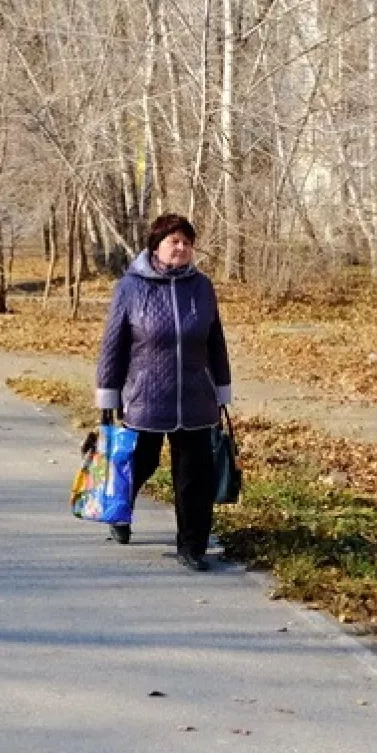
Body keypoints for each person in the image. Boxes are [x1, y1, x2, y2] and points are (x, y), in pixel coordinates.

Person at [94, 213, 233, 571]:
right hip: (146, 397)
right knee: (140, 462)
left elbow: (215, 340)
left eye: (187, 242)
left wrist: (221, 387)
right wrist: (108, 395)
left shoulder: (201, 286)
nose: (182, 248)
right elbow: (114, 344)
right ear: (156, 245)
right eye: (175, 241)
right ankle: (119, 513)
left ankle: (192, 546)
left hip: (195, 398)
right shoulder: (130, 286)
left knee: (195, 476)